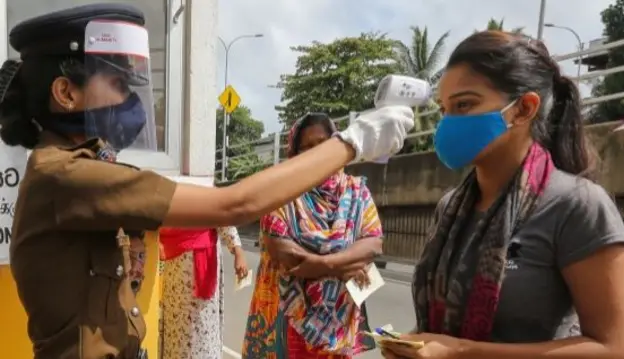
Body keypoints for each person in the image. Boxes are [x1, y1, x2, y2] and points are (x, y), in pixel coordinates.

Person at [1, 4, 413, 358]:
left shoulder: (79, 168)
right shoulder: (67, 176)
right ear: (65, 93)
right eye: (117, 84)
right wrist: (352, 142)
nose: (128, 101)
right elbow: (235, 205)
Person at [381, 31, 624, 359]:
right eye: (444, 109)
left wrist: (462, 352)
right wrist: (417, 344)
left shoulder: (577, 205)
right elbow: (447, 326)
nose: (447, 123)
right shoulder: (450, 208)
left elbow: (619, 349)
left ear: (523, 109)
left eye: (465, 104)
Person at [242, 113, 383, 359]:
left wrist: (321, 263)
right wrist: (341, 267)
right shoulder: (280, 193)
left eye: (323, 145)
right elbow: (285, 255)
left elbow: (373, 242)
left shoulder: (356, 191)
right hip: (287, 316)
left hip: (339, 324)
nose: (317, 154)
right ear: (295, 154)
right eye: (307, 147)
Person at [159, 225, 247, 359]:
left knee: (202, 330)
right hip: (179, 264)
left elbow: (220, 212)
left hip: (200, 261)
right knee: (182, 329)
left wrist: (237, 249)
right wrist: (237, 249)